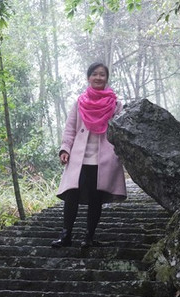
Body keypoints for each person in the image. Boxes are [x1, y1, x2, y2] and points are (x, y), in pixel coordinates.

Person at [51, 62, 126, 248]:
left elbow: (122, 131)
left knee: (95, 198)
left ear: (106, 78)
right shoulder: (80, 102)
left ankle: (89, 237)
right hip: (79, 157)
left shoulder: (116, 105)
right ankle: (65, 236)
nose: (98, 77)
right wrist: (65, 149)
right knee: (71, 195)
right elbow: (70, 128)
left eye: (102, 74)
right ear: (88, 77)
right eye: (95, 74)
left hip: (103, 159)